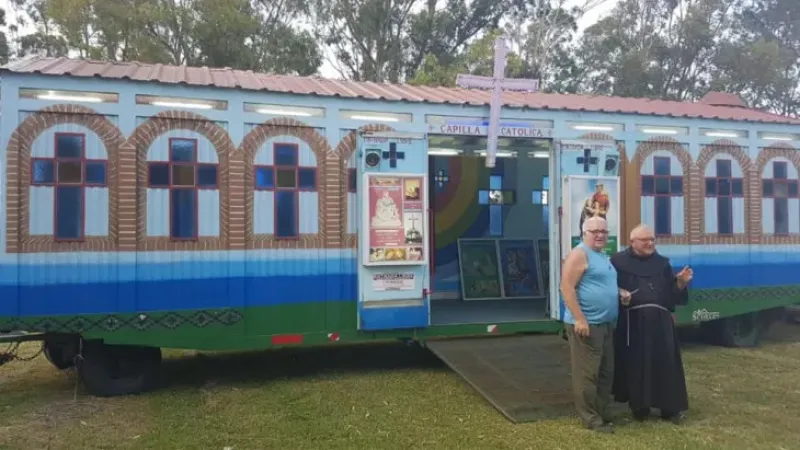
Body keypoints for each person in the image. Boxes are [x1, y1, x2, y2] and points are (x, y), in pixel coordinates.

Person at [610, 224, 693, 424]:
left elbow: (671, 295)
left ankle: (669, 408)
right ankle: (639, 407)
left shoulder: (662, 264)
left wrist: (680, 283)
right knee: (636, 364)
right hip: (633, 323)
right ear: (632, 242)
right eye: (645, 240)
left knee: (666, 364)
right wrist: (619, 294)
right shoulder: (618, 262)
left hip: (660, 323)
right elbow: (609, 287)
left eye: (652, 240)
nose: (649, 243)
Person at [560, 216, 629, 433]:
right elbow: (566, 288)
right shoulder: (579, 254)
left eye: (604, 231)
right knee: (587, 375)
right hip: (587, 325)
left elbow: (599, 284)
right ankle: (591, 419)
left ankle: (601, 412)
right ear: (584, 233)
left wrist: (619, 293)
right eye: (595, 231)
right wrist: (580, 319)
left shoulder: (601, 255)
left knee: (606, 372)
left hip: (606, 323)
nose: (600, 235)